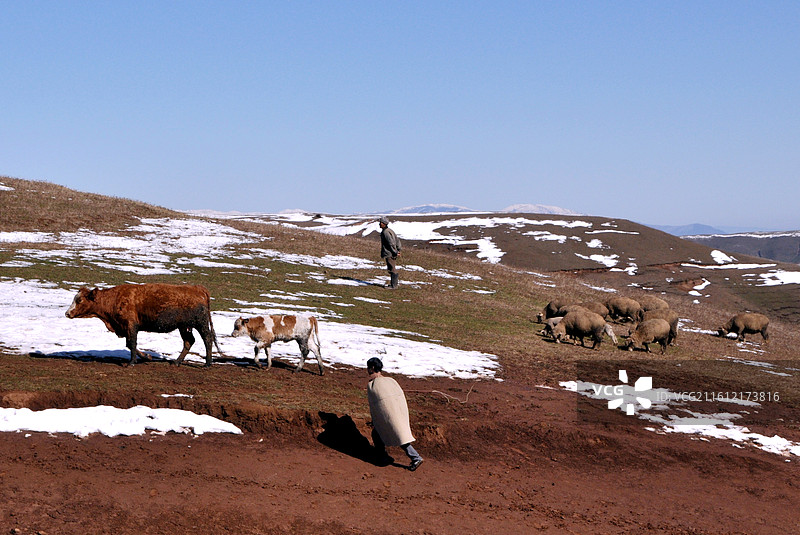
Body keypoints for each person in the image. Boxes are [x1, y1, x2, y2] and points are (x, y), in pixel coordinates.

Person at [366, 357, 423, 471]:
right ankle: (383, 457)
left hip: (387, 416)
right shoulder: (391, 381)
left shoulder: (373, 385)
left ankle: (415, 457)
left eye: (368, 367)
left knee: (395, 436)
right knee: (384, 434)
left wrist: (376, 419)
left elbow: (377, 406)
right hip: (397, 414)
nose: (367, 370)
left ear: (372, 368)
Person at [377, 216, 401, 289]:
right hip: (392, 252)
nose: (379, 224)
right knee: (392, 267)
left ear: (384, 223)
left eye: (380, 223)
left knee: (392, 268)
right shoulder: (390, 230)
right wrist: (398, 249)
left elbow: (391, 243)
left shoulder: (385, 232)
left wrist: (395, 252)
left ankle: (394, 286)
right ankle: (394, 284)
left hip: (389, 253)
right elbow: (397, 240)